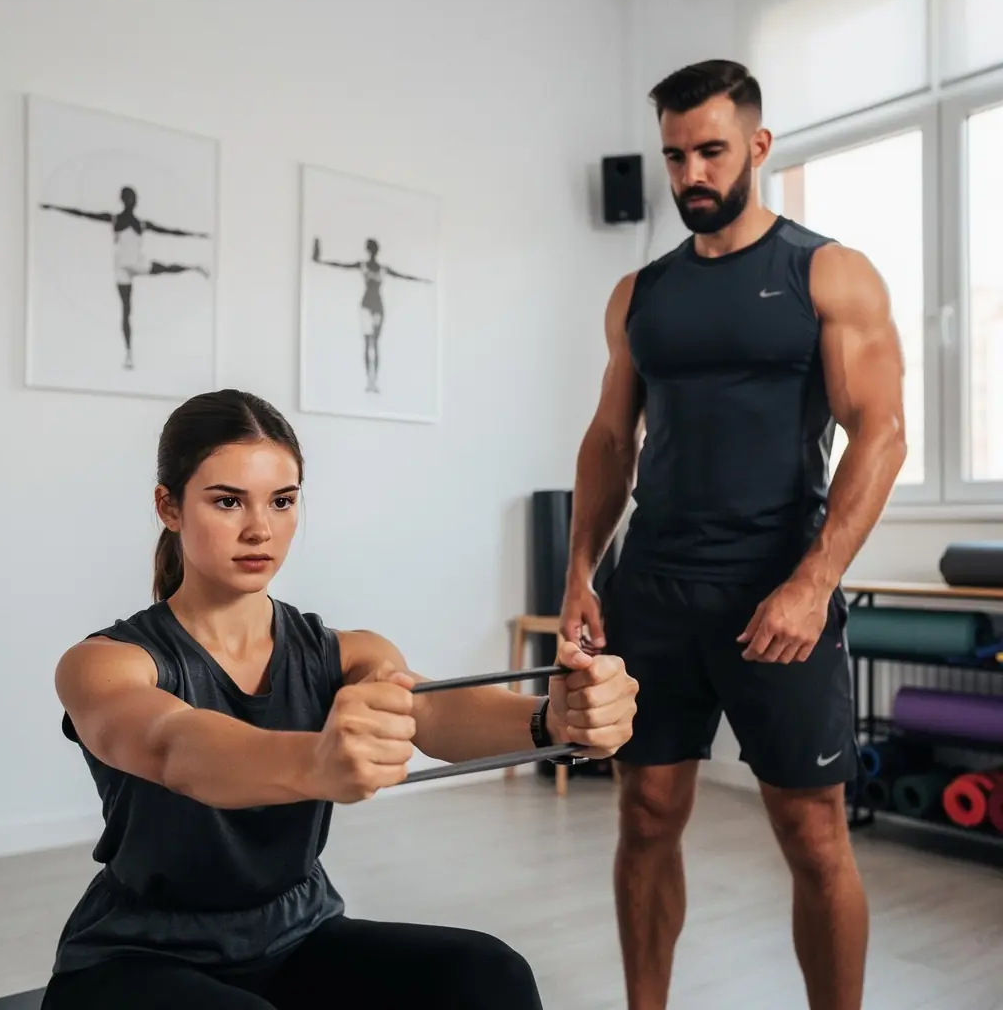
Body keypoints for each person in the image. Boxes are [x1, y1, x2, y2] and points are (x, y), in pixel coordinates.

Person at [41, 388, 639, 1010]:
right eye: (227, 501)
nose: (260, 529)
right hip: (137, 958)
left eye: (282, 501)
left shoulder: (343, 652)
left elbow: (425, 709)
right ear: (169, 506)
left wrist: (554, 721)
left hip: (296, 935)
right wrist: (316, 761)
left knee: (490, 974)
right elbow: (173, 747)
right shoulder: (106, 664)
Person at [559, 60, 906, 1010]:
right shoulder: (640, 293)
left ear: (758, 145)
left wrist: (814, 583)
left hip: (775, 595)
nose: (691, 175)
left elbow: (881, 431)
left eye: (710, 151)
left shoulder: (826, 272)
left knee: (813, 834)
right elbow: (609, 439)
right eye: (674, 156)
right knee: (646, 815)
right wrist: (580, 571)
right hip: (653, 590)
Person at [40, 186, 210, 370]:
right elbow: (83, 214)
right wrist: (55, 208)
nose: (131, 201)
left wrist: (196, 235)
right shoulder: (116, 219)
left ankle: (195, 267)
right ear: (123, 200)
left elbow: (170, 231)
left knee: (165, 269)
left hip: (136, 264)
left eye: (132, 197)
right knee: (126, 310)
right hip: (122, 269)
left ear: (135, 201)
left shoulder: (140, 224)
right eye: (128, 197)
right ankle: (129, 353)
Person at [310, 236, 432, 394]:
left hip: (375, 307)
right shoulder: (368, 267)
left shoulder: (379, 268)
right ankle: (370, 381)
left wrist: (422, 280)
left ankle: (373, 381)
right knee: (371, 344)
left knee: (373, 344)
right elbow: (341, 265)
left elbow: (403, 276)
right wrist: (320, 260)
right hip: (368, 307)